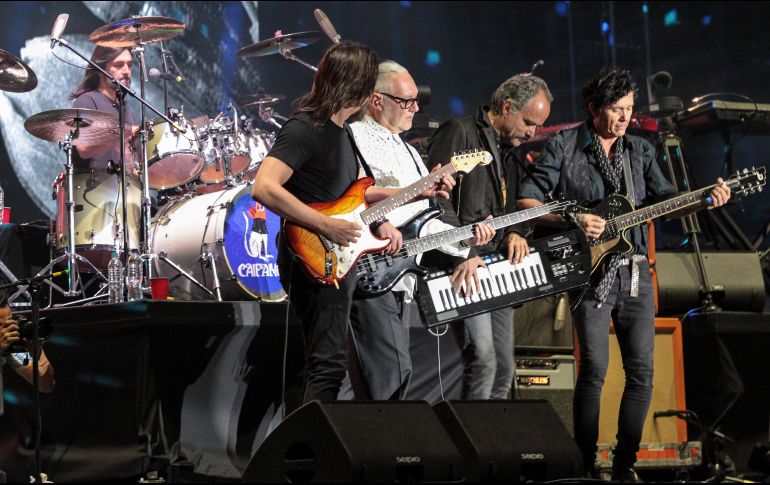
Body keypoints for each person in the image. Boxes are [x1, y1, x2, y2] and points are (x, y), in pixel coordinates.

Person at [518, 67, 731, 480]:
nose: (624, 117)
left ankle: (624, 465)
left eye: (629, 109)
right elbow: (528, 202)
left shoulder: (640, 150)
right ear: (593, 107)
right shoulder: (565, 145)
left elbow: (667, 202)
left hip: (634, 273)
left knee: (642, 373)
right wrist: (575, 219)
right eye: (616, 109)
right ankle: (585, 465)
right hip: (589, 273)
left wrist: (706, 199)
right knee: (594, 371)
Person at [251, 43, 455, 403]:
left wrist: (420, 191)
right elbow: (264, 187)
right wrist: (324, 225)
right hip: (312, 254)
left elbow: (360, 194)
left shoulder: (342, 132)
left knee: (330, 364)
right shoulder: (305, 127)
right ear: (357, 86)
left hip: (339, 255)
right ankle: (311, 440)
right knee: (326, 364)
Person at [347, 60, 494, 400]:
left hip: (400, 275)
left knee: (395, 378)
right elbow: (347, 198)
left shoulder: (410, 150)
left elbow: (421, 221)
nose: (415, 108)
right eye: (407, 101)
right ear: (376, 100)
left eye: (417, 101)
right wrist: (381, 222)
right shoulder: (353, 138)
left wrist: (466, 240)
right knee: (388, 380)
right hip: (370, 265)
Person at [427, 74, 552, 400]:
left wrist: (515, 232)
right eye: (529, 123)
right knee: (483, 360)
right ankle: (472, 434)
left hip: (495, 265)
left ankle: (491, 432)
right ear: (507, 107)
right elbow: (435, 198)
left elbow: (509, 206)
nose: (532, 133)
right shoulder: (460, 131)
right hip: (465, 263)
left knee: (505, 369)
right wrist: (463, 253)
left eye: (537, 126)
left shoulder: (508, 149)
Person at [70, 46, 137, 172]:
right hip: (94, 183)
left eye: (129, 65)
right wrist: (127, 130)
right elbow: (84, 149)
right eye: (119, 65)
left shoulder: (128, 113)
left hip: (124, 184)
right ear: (100, 71)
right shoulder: (87, 100)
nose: (127, 71)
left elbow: (130, 163)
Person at [0, 292, 56, 416]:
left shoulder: (10, 346)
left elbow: (46, 386)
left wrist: (37, 355)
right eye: (0, 325)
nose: (7, 330)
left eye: (9, 323)